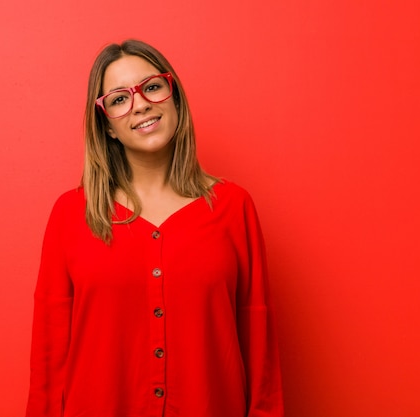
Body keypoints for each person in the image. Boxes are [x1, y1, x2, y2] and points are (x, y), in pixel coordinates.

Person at [26, 39, 283, 417]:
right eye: (118, 99)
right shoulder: (71, 213)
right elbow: (49, 358)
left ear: (174, 96)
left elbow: (259, 346)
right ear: (108, 127)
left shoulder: (234, 207)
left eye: (151, 87)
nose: (141, 103)